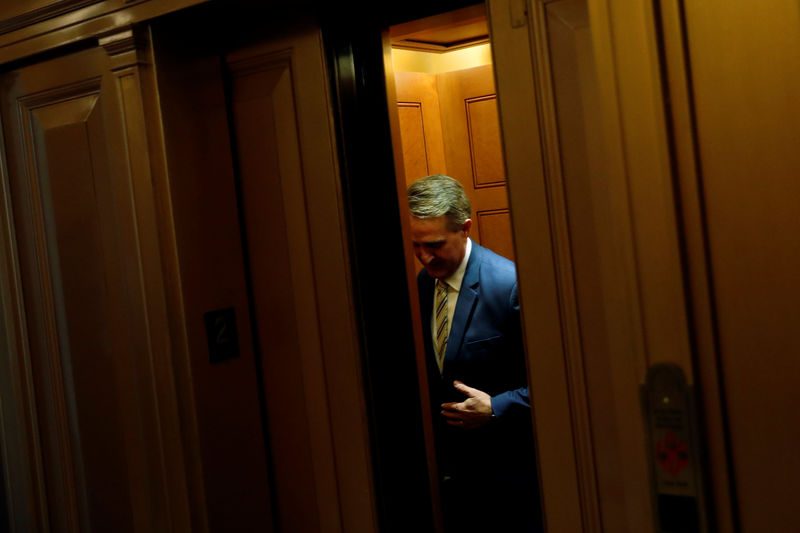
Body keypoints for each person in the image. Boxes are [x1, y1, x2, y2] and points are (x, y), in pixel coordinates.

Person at [407, 174, 542, 533]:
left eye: (434, 244)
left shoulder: (509, 285)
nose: (424, 257)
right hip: (453, 482)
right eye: (416, 245)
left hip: (508, 479)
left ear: (466, 228)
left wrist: (496, 408)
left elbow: (553, 384)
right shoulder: (424, 282)